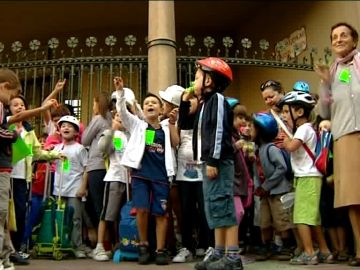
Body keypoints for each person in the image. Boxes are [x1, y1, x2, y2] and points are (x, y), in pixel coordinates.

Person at [189, 57, 243, 270]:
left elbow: (220, 131)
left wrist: (213, 160)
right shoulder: (204, 104)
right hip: (208, 162)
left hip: (218, 162)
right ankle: (219, 252)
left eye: (197, 77)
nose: (194, 81)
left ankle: (232, 257)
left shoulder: (218, 100)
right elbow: (187, 124)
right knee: (214, 207)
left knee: (223, 205)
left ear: (209, 80)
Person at [314, 22, 360, 267]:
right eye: (334, 37)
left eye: (344, 35)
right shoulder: (334, 71)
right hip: (345, 138)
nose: (339, 39)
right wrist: (324, 83)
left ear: (354, 40)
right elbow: (324, 110)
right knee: (353, 198)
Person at [115, 84, 176, 265]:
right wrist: (120, 93)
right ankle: (143, 245)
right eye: (147, 102)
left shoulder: (166, 127)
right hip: (140, 174)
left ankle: (160, 250)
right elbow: (123, 114)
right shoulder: (138, 125)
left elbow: (175, 143)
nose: (150, 105)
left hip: (161, 177)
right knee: (141, 209)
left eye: (154, 103)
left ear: (161, 109)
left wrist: (173, 122)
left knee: (161, 213)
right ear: (143, 108)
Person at [7, 95, 63, 264]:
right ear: (9, 109)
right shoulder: (6, 125)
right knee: (4, 214)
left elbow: (37, 153)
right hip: (6, 175)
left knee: (20, 213)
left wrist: (54, 155)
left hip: (22, 178)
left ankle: (15, 250)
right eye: (15, 105)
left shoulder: (28, 130)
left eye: (22, 105)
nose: (19, 107)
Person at [279, 91, 333, 265]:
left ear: (300, 112)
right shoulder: (308, 128)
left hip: (307, 177)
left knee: (301, 217)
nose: (283, 115)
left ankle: (309, 252)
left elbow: (292, 147)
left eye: (287, 112)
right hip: (309, 177)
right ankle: (324, 251)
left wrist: (285, 141)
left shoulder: (303, 129)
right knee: (312, 218)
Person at [172, 87, 212, 263]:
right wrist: (187, 97)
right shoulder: (182, 120)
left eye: (193, 101)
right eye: (186, 102)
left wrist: (198, 93)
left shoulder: (204, 118)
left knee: (204, 211)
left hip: (202, 174)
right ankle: (187, 247)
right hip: (183, 175)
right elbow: (183, 106)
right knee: (186, 211)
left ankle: (209, 245)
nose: (189, 104)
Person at [251, 113, 294, 262]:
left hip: (277, 191)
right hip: (265, 193)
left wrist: (267, 185)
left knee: (281, 220)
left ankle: (287, 247)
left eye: (253, 127)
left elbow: (281, 168)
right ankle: (266, 246)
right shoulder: (257, 150)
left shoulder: (271, 149)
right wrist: (258, 187)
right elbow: (256, 172)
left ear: (261, 131)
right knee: (265, 221)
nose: (250, 130)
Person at [92, 111, 129, 261]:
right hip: (114, 178)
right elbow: (103, 148)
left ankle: (121, 244)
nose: (121, 119)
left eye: (124, 116)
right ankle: (100, 246)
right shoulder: (110, 133)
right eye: (118, 116)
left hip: (131, 180)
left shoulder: (132, 134)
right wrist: (113, 130)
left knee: (124, 216)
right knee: (107, 214)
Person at [53, 115, 88, 258]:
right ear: (59, 130)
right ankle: (62, 245)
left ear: (76, 132)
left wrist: (83, 188)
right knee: (59, 218)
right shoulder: (56, 148)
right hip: (59, 189)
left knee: (75, 219)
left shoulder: (80, 149)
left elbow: (86, 169)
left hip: (75, 189)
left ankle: (77, 246)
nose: (66, 128)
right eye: (63, 126)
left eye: (70, 126)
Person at [81, 92, 111, 230]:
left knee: (98, 205)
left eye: (94, 103)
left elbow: (85, 139)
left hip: (96, 165)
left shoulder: (99, 118)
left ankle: (102, 242)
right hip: (110, 166)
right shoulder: (113, 118)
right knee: (108, 204)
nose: (93, 106)